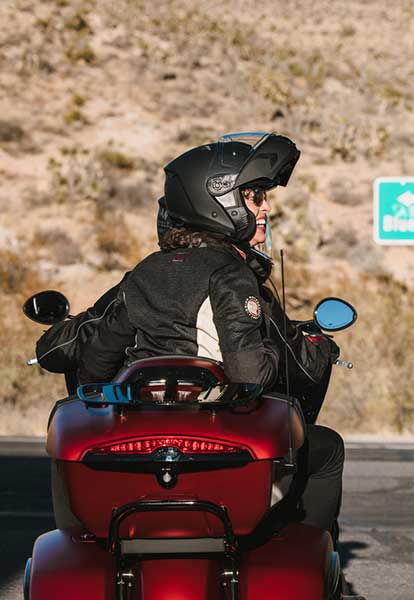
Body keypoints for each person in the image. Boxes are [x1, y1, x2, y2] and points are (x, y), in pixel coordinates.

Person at [67, 133, 344, 534]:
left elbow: (94, 366)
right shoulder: (232, 273)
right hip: (214, 430)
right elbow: (250, 373)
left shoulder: (145, 271)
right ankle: (307, 547)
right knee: (328, 448)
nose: (266, 207)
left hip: (141, 432)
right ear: (220, 198)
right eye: (254, 196)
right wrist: (280, 348)